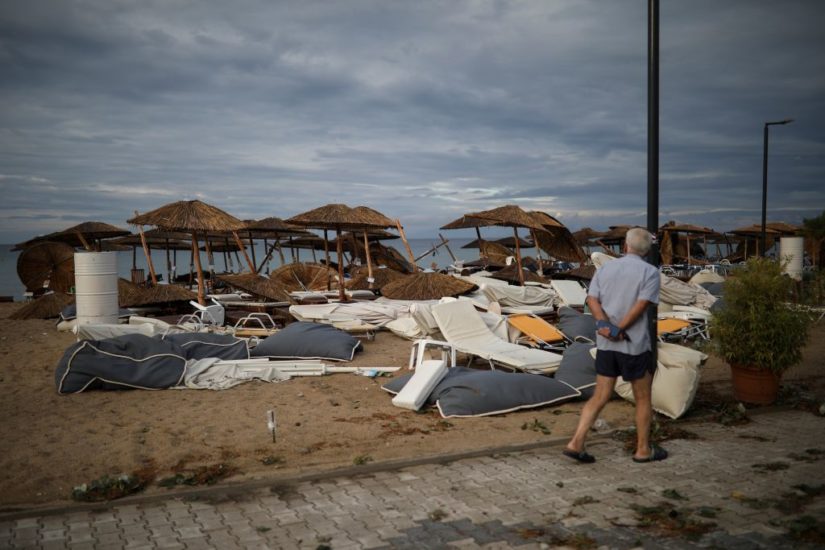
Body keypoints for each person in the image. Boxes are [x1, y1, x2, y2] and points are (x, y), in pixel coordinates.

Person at [563, 227, 667, 464]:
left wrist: (605, 325)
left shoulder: (606, 268)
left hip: (606, 345)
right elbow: (641, 306)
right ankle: (642, 450)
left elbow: (592, 299)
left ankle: (576, 442)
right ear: (647, 249)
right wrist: (620, 329)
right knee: (643, 398)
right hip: (635, 346)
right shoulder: (650, 272)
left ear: (625, 246)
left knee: (600, 395)